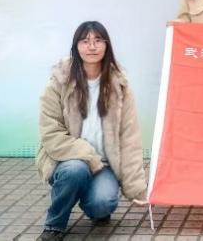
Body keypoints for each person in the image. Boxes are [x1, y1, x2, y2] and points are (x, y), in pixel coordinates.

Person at [36, 22, 148, 241]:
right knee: (75, 171)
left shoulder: (120, 84)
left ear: (107, 45)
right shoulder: (58, 83)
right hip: (67, 160)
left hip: (104, 165)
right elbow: (51, 133)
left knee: (102, 204)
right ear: (76, 46)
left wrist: (137, 188)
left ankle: (90, 197)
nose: (92, 46)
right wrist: (88, 156)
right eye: (85, 41)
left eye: (98, 40)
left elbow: (130, 138)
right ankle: (54, 225)